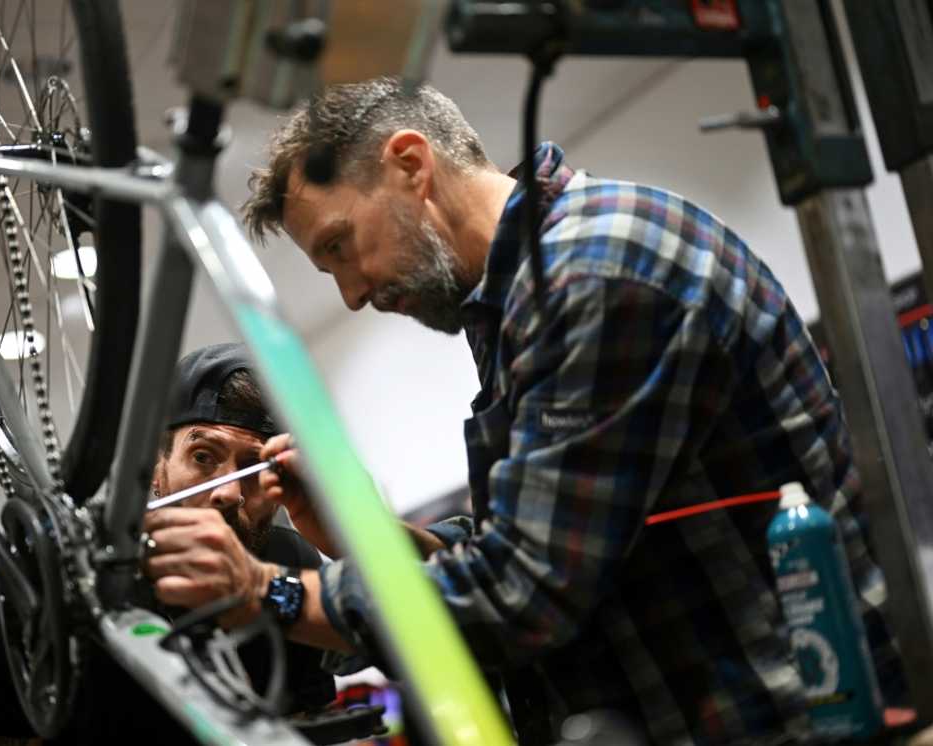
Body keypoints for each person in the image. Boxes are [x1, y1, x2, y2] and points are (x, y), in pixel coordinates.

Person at [151, 78, 905, 745]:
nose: (351, 292)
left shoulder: (598, 271)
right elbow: (521, 546)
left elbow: (520, 594)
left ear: (411, 167)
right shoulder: (521, 303)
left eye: (342, 247)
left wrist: (269, 592)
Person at [0, 343, 336, 745]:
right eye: (204, 456)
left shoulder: (291, 561)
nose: (228, 492)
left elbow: (308, 724)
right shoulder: (32, 586)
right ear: (156, 467)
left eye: (252, 466)